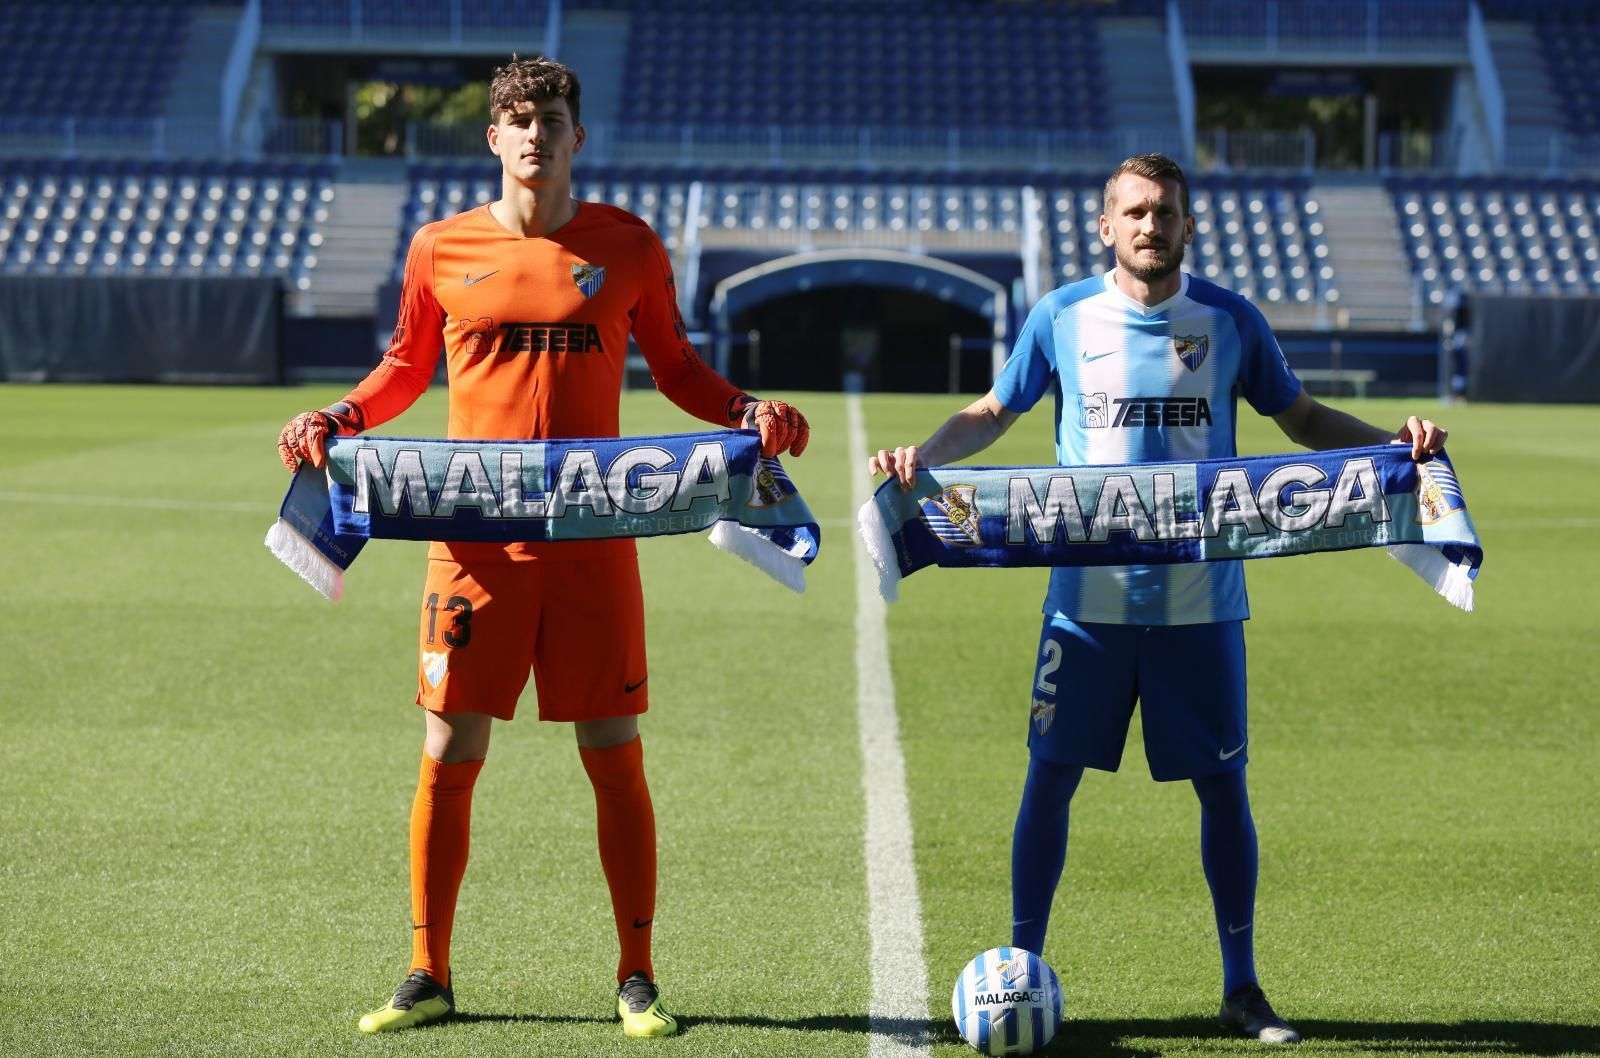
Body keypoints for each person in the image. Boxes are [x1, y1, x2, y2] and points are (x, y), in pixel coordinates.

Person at [275, 56, 810, 1038]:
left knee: (613, 753)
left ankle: (637, 973)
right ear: (493, 137)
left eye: (551, 118)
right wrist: (341, 413)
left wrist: (744, 409)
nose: (535, 134)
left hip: (596, 542)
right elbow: (403, 367)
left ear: (577, 137)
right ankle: (426, 968)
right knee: (448, 752)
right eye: (517, 119)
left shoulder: (629, 246)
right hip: (471, 547)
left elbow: (680, 365)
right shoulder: (441, 246)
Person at [869, 153, 1447, 1045]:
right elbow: (995, 411)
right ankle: (1022, 969)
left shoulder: (1228, 319)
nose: (1150, 226)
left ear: (1187, 225)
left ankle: (1243, 988)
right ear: (1107, 226)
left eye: (1166, 212)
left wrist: (1392, 449)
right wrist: (926, 457)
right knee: (1050, 780)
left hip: (1201, 603)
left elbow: (1300, 420)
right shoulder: (1063, 316)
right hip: (1085, 605)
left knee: (1223, 789)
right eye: (1135, 212)